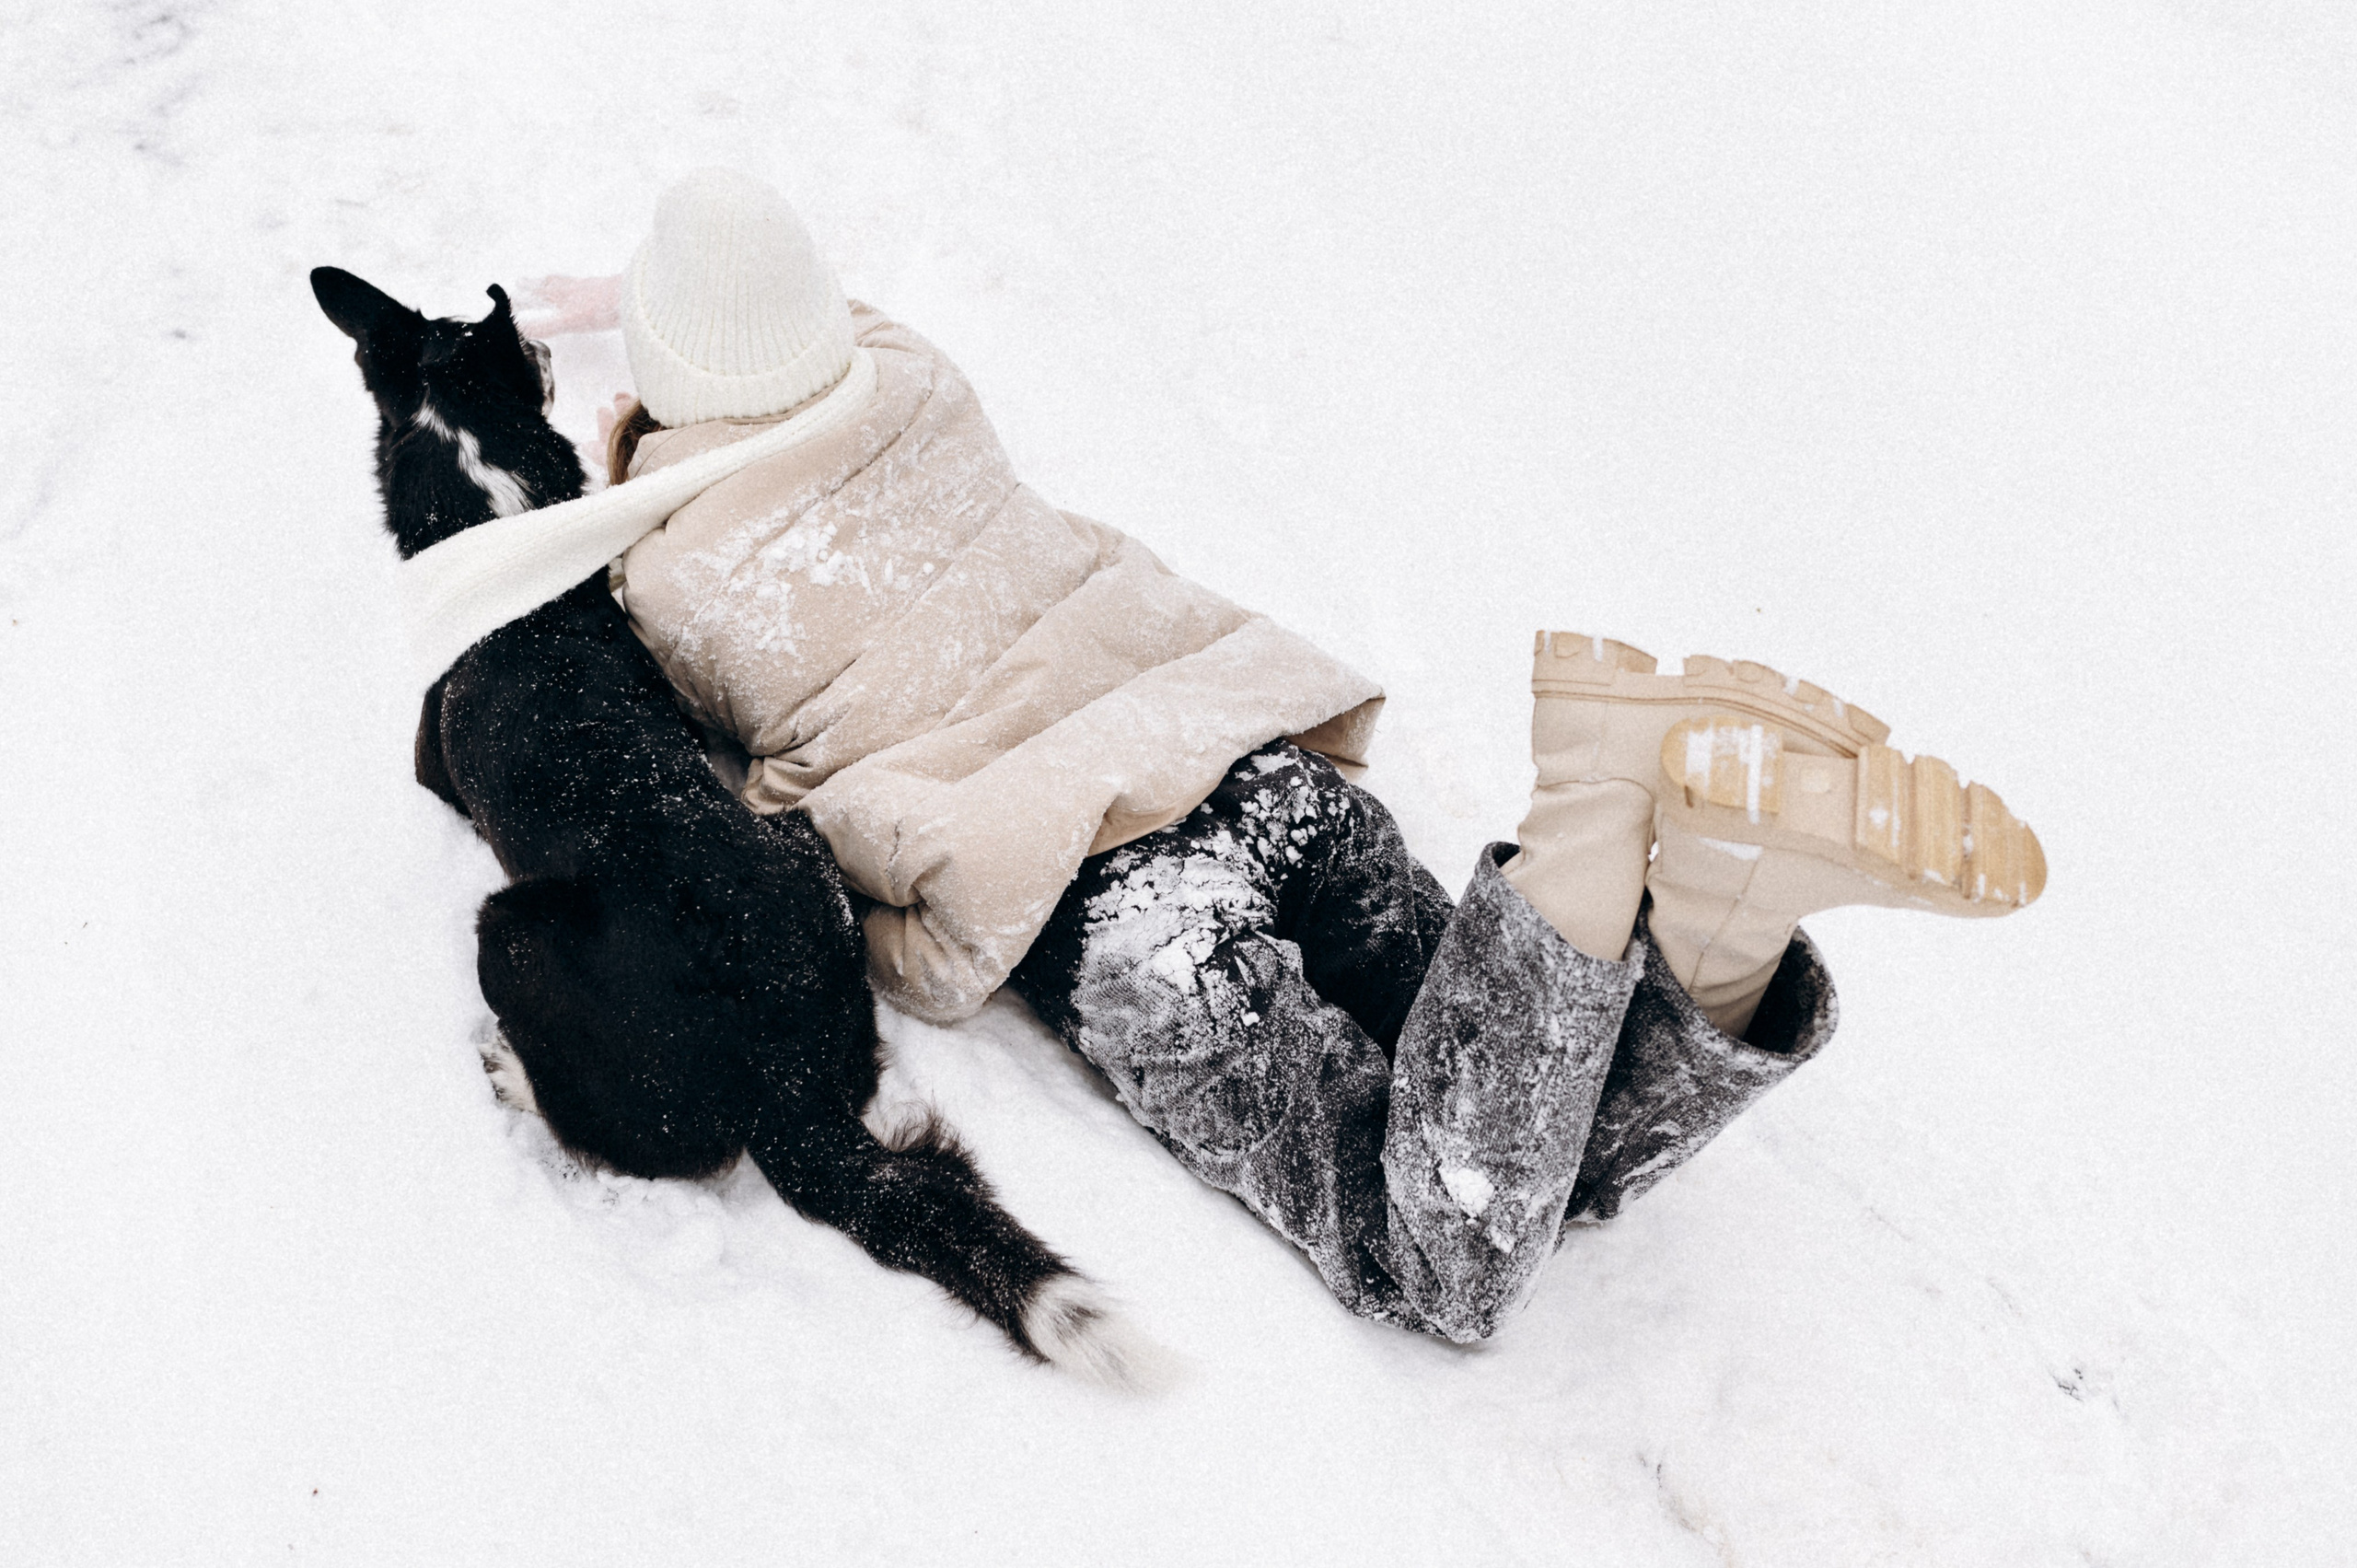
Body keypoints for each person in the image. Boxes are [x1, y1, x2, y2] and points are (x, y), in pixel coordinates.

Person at [517, 168, 2043, 1343]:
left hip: (1114, 901)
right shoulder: (916, 376)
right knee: (1527, 1116)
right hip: (1255, 762)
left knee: (1430, 1254)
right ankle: (1721, 924)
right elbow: (785, 324)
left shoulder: (676, 574)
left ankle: (1592, 818)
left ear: (665, 384)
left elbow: (698, 715)